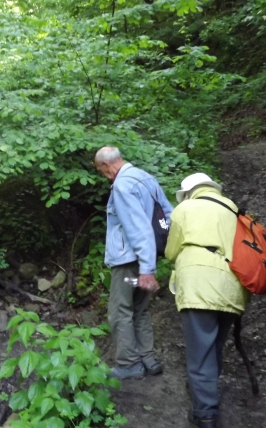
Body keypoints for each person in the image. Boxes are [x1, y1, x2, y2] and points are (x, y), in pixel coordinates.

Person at [165, 173, 250, 428]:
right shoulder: (233, 209)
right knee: (213, 348)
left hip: (199, 285)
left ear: (189, 192)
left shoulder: (185, 208)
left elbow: (171, 252)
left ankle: (206, 414)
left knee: (200, 353)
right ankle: (204, 394)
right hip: (233, 286)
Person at [93, 146, 174, 380]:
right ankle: (148, 358)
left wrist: (147, 268)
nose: (103, 175)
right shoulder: (145, 178)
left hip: (129, 263)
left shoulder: (122, 186)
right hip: (145, 260)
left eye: (101, 170)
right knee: (139, 308)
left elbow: (138, 228)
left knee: (120, 310)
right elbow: (169, 216)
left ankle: (129, 363)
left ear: (108, 165)